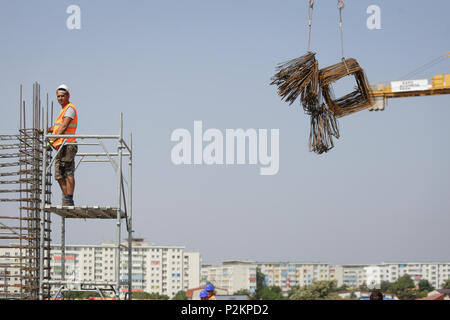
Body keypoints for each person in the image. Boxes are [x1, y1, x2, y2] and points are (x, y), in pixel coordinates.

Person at [48, 84, 78, 206]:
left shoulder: (70, 108)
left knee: (68, 172)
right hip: (60, 145)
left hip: (68, 145)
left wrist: (51, 140)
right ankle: (66, 197)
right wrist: (47, 130)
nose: (60, 98)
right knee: (59, 175)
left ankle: (69, 198)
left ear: (68, 96)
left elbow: (64, 126)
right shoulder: (63, 110)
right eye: (58, 96)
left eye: (62, 96)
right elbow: (58, 127)